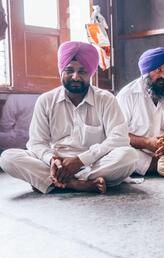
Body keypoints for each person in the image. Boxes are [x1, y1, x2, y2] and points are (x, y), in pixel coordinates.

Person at [0, 41, 137, 194]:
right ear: (61, 71)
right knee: (7, 157)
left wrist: (80, 161)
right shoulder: (46, 100)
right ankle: (76, 184)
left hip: (94, 163)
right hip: (58, 163)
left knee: (129, 156)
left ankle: (52, 182)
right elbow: (37, 142)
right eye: (69, 70)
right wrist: (52, 160)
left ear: (91, 73)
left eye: (82, 72)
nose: (75, 77)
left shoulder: (106, 99)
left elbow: (119, 139)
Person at [116, 47, 164, 176]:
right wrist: (147, 142)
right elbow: (118, 134)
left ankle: (160, 166)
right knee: (122, 153)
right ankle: (163, 166)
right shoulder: (127, 95)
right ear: (145, 73)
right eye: (158, 70)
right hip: (138, 151)